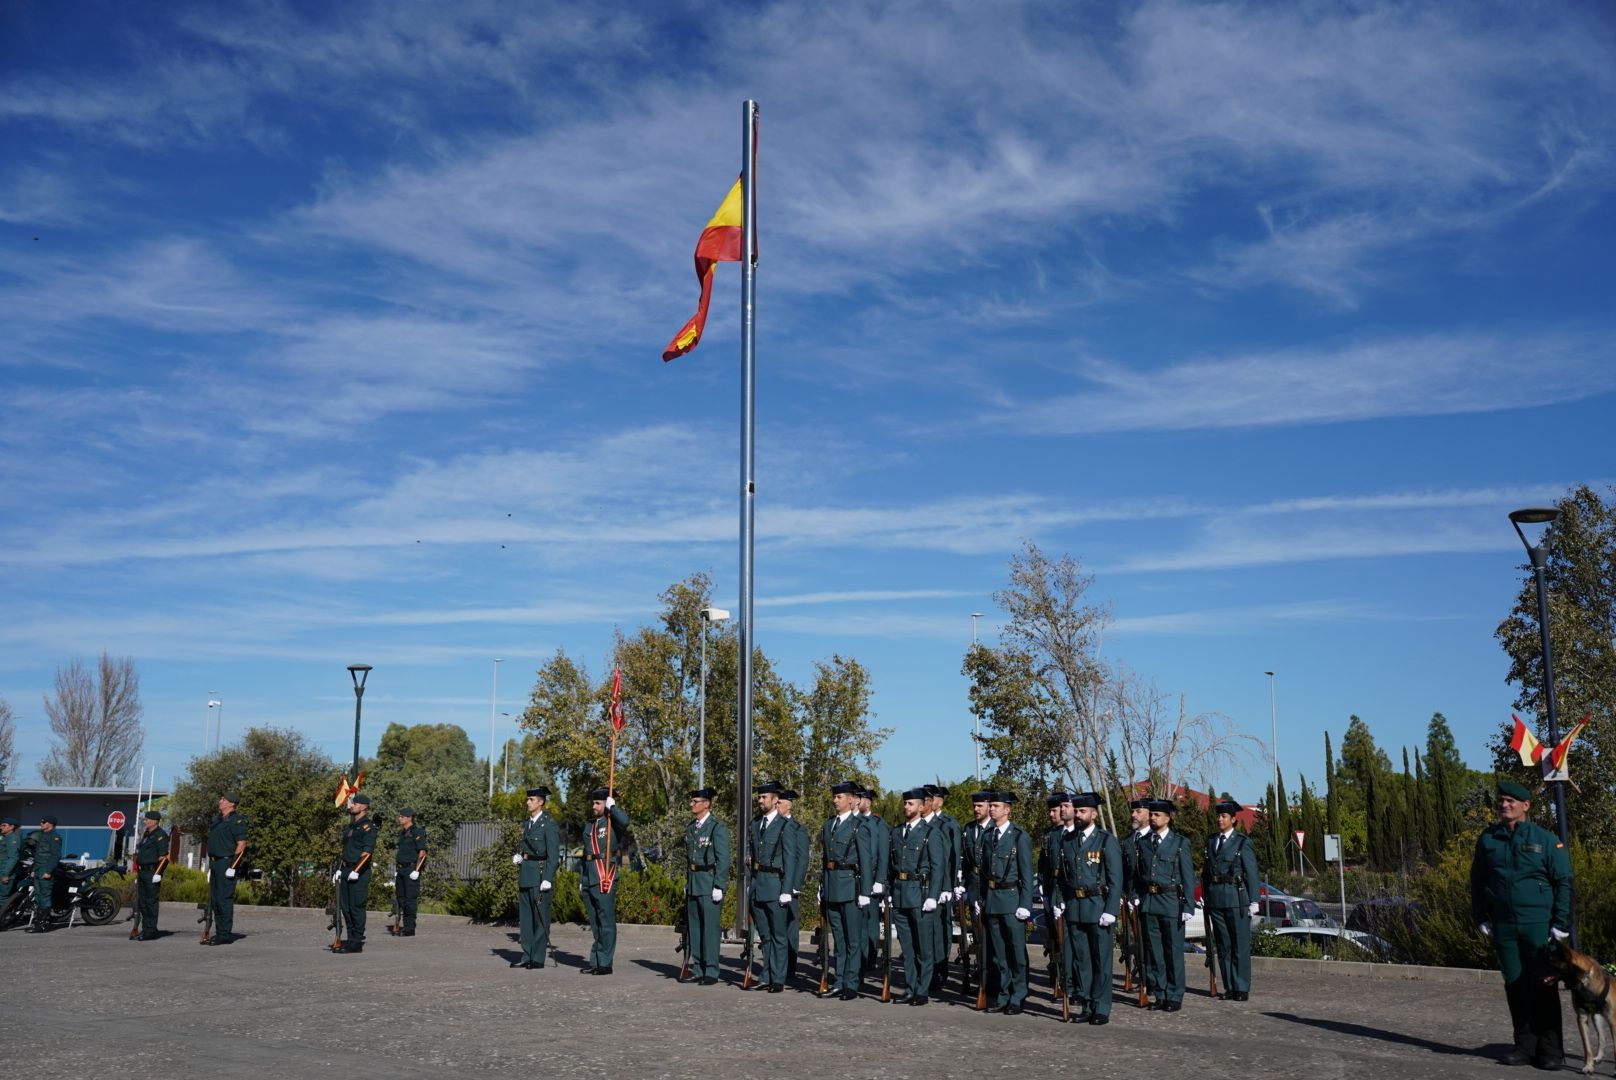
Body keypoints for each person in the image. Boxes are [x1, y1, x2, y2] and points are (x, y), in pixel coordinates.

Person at [1470, 778, 1573, 1070]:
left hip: (1538, 925)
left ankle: (1551, 1050)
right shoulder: (1489, 839)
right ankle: (1524, 1046)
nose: (1504, 804)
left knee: (1543, 985)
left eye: (1510, 801)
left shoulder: (1544, 839)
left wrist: (1560, 924)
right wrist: (1480, 917)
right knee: (1515, 985)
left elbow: (1564, 881)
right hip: (1504, 926)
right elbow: (1478, 880)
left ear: (1525, 806)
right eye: (1501, 800)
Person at [1054, 792, 1123, 1024]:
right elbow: (1063, 875)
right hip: (1075, 906)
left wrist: (1111, 910)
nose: (1079, 815)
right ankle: (1086, 1004)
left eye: (1083, 811)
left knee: (1100, 960)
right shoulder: (1068, 840)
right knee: (1081, 960)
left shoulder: (1105, 840)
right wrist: (1062, 899)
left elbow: (1115, 879)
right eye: (1078, 811)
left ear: (1094, 814)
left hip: (1098, 907)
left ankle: (1101, 1007)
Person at [1132, 799, 1193, 1011]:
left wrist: (1188, 906)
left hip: (1171, 903)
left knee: (1173, 952)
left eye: (1157, 815)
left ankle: (1175, 995)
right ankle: (1160, 993)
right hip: (1150, 902)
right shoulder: (1143, 842)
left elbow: (1188, 877)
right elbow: (1138, 874)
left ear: (1168, 818)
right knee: (1155, 952)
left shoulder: (1180, 843)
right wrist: (1137, 895)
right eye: (1152, 814)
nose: (1152, 818)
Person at [889, 787, 947, 1004]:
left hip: (920, 894)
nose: (906, 807)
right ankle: (911, 987)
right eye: (905, 803)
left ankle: (922, 990)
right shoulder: (896, 832)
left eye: (911, 804)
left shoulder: (931, 833)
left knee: (923, 947)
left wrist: (934, 895)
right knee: (908, 948)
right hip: (901, 893)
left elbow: (937, 866)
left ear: (922, 807)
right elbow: (890, 865)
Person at [978, 791, 1034, 1014]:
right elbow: (984, 871)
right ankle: (1003, 995)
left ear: (1007, 809)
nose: (992, 809)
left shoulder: (1019, 836)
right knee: (999, 953)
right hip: (993, 900)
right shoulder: (988, 835)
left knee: (1016, 952)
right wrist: (982, 897)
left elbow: (1027, 874)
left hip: (1012, 900)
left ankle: (1018, 996)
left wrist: (1025, 904)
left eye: (996, 806)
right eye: (991, 806)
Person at [819, 780, 874, 1000]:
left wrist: (865, 892)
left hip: (851, 887)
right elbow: (825, 859)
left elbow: (866, 861)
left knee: (853, 940)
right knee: (839, 940)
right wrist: (822, 885)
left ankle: (851, 983)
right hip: (832, 887)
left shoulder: (859, 826)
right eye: (834, 797)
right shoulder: (828, 825)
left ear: (851, 800)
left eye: (839, 797)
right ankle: (840, 980)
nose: (835, 800)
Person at [1201, 800, 1260, 1002]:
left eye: (1224, 816)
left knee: (1239, 945)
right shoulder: (1211, 841)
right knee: (1224, 945)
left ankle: (1241, 986)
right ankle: (1229, 986)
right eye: (1218, 816)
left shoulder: (1242, 842)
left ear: (1233, 820)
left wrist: (1254, 900)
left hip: (1236, 898)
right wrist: (1204, 894)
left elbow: (1251, 872)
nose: (1220, 820)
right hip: (1216, 898)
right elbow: (1206, 871)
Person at [747, 781, 800, 992]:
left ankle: (778, 978)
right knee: (765, 936)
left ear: (776, 800)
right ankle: (766, 975)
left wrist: (787, 890)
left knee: (779, 935)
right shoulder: (755, 824)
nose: (760, 801)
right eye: (759, 797)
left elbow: (790, 861)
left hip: (776, 885)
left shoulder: (785, 826)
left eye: (764, 797)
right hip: (759, 885)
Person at [683, 787, 730, 985]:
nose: (692, 804)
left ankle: (711, 970)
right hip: (694, 882)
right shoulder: (691, 828)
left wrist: (719, 884)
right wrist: (688, 882)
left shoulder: (716, 827)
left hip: (709, 882)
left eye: (696, 801)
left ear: (706, 804)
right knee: (695, 928)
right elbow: (689, 859)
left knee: (710, 930)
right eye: (692, 801)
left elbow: (723, 859)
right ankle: (698, 967)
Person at [580, 787, 629, 975]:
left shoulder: (612, 822)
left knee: (606, 921)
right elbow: (586, 854)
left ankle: (605, 963)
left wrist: (613, 808)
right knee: (595, 922)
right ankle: (596, 961)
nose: (593, 806)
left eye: (598, 803)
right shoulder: (590, 825)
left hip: (604, 876)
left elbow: (626, 822)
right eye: (593, 803)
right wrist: (582, 878)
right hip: (589, 875)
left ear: (605, 805)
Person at [511, 786, 560, 969]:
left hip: (540, 875)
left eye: (531, 799)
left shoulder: (548, 824)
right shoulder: (528, 824)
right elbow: (529, 849)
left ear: (541, 802)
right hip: (526, 873)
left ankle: (538, 958)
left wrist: (548, 877)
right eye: (528, 799)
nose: (528, 802)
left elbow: (553, 855)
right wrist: (520, 858)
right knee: (526, 918)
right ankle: (527, 955)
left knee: (540, 919)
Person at [925, 784, 963, 994]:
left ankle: (940, 971)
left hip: (941, 885)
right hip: (923, 885)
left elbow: (953, 857)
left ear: (939, 800)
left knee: (940, 932)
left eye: (931, 798)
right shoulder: (921, 823)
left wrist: (950, 885)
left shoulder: (948, 824)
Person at [331, 793, 377, 954]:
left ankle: (356, 942)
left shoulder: (368, 827)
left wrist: (356, 871)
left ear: (364, 807)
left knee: (356, 907)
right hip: (345, 870)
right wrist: (339, 869)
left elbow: (367, 853)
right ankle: (350, 939)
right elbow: (346, 851)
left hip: (359, 872)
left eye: (355, 804)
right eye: (352, 804)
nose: (351, 806)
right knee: (346, 908)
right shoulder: (351, 826)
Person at [961, 791, 993, 999]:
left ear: (990, 806)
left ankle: (993, 979)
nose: (976, 809)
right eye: (975, 806)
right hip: (974, 887)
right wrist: (961, 884)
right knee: (979, 936)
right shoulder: (969, 829)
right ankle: (981, 976)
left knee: (994, 938)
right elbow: (966, 862)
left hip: (991, 889)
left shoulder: (994, 829)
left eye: (980, 806)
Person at [1039, 792, 1071, 998]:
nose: (1051, 814)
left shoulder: (1071, 832)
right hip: (1050, 892)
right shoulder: (1049, 834)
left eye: (1054, 810)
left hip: (1066, 895)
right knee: (1053, 939)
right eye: (1049, 810)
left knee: (1067, 940)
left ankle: (1069, 980)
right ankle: (1057, 975)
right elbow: (1044, 863)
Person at [205, 795, 248, 945]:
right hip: (215, 863)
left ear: (231, 803)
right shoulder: (217, 821)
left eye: (223, 800)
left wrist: (232, 867)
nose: (220, 801)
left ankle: (225, 934)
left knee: (224, 900)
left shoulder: (237, 821)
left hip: (226, 863)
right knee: (215, 900)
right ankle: (219, 932)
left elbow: (241, 844)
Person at [858, 787, 890, 980]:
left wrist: (879, 880)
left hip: (872, 880)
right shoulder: (856, 822)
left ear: (868, 802)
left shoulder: (878, 823)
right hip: (857, 879)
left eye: (860, 798)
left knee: (870, 921)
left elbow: (882, 854)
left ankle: (870, 957)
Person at [778, 789, 809, 981]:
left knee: (790, 927)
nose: (777, 806)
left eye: (779, 802)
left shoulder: (797, 829)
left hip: (789, 886)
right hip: (774, 882)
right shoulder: (773, 826)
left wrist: (795, 884)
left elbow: (802, 858)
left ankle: (790, 967)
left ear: (789, 805)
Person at [132, 810, 170, 941]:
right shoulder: (147, 834)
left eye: (147, 819)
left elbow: (164, 857)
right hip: (143, 872)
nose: (145, 821)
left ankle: (150, 931)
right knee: (142, 902)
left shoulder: (160, 835)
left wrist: (158, 873)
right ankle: (146, 928)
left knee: (150, 902)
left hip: (152, 872)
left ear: (154, 821)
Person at [393, 807, 428, 937]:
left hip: (411, 869)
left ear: (409, 818)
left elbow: (422, 853)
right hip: (402, 869)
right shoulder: (403, 833)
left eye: (402, 816)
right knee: (401, 899)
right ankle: (404, 925)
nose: (399, 818)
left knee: (410, 900)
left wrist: (417, 870)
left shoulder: (417, 831)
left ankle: (409, 928)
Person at [27, 815, 63, 932]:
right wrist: (33, 869)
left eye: (44, 822)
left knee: (45, 896)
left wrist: (48, 871)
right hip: (38, 869)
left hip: (45, 870)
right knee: (38, 896)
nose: (41, 823)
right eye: (41, 821)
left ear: (50, 824)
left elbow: (55, 856)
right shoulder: (42, 835)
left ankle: (43, 924)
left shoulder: (54, 837)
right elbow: (38, 855)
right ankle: (37, 922)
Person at [0, 816, 20, 910]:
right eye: (1, 825)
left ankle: (3, 920)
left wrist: (5, 874)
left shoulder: (13, 839)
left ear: (12, 827)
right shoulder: (3, 838)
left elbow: (13, 858)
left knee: (2, 899)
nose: (1, 827)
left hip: (4, 872)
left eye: (4, 825)